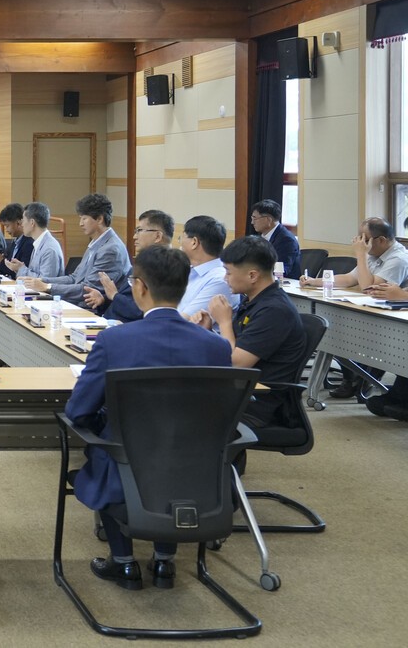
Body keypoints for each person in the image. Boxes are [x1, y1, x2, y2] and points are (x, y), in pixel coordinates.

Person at [65, 245, 232, 591]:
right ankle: (163, 562)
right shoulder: (215, 346)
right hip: (194, 467)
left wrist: (99, 424)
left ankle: (124, 563)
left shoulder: (115, 340)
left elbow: (78, 409)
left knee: (106, 451)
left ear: (139, 287)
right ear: (184, 288)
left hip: (127, 464)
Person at [196, 236, 308, 428]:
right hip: (237, 391)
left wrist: (223, 322)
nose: (225, 279)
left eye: (228, 273)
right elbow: (236, 344)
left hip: (257, 402)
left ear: (253, 276)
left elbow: (236, 363)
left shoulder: (274, 310)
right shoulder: (254, 301)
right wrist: (208, 331)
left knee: (175, 405)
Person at [299, 217, 406, 400]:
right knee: (338, 327)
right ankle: (354, 377)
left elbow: (368, 288)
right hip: (371, 312)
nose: (360, 244)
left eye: (364, 240)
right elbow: (349, 279)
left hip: (387, 318)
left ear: (381, 240)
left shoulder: (398, 258)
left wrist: (361, 255)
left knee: (346, 332)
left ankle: (361, 377)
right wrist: (314, 281)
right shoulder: (373, 254)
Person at [26, 193, 131, 308]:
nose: (80, 223)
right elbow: (74, 278)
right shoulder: (96, 243)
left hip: (96, 311)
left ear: (100, 219)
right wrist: (40, 280)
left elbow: (88, 289)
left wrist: (48, 287)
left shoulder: (111, 249)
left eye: (84, 218)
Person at [82, 209, 173, 322]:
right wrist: (103, 300)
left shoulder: (166, 268)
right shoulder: (143, 261)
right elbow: (125, 299)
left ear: (158, 236)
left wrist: (114, 295)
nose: (135, 236)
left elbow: (140, 311)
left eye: (139, 230)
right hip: (109, 322)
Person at [177, 215, 234, 317]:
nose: (180, 243)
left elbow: (184, 322)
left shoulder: (220, 279)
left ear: (194, 242)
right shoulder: (190, 271)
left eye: (181, 237)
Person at [9, 201, 64, 279]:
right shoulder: (39, 242)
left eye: (23, 220)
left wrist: (21, 269)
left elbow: (45, 282)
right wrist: (20, 268)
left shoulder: (49, 249)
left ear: (32, 222)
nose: (22, 224)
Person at [249, 199, 300, 279]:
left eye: (255, 218)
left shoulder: (286, 240)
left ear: (268, 220)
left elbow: (282, 271)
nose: (252, 222)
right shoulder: (262, 237)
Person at [0, 202, 32, 279]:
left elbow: (15, 271)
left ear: (18, 223)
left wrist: (0, 261)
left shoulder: (29, 243)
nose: (6, 229)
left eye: (7, 226)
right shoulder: (16, 241)